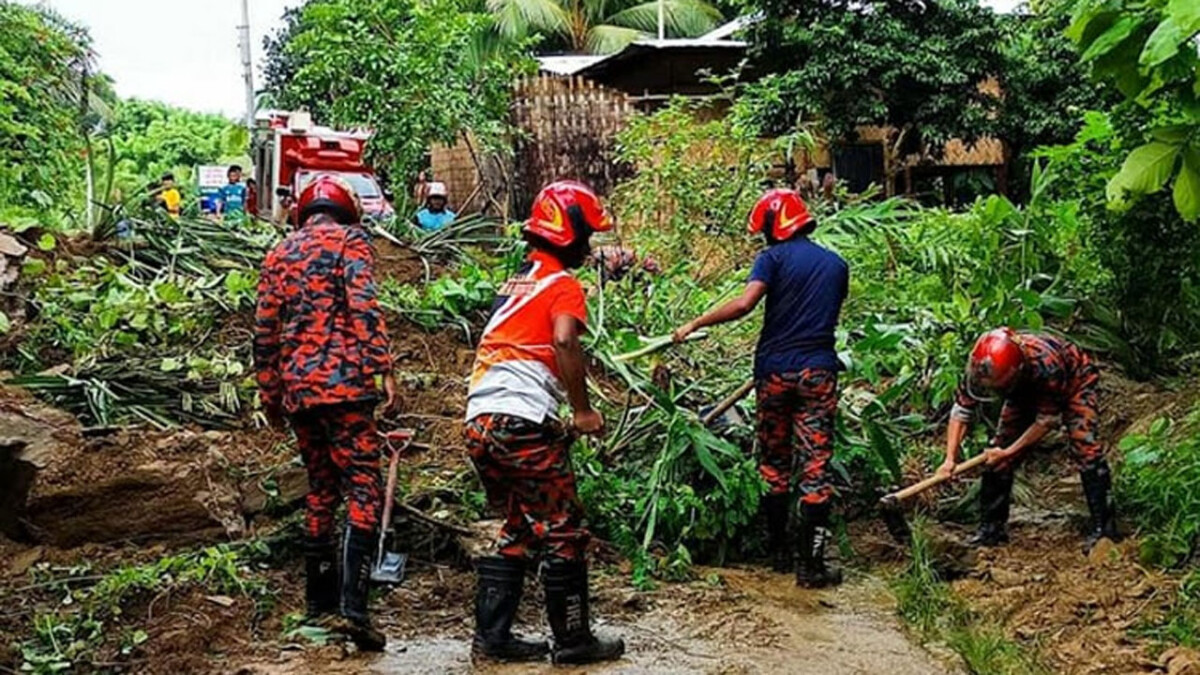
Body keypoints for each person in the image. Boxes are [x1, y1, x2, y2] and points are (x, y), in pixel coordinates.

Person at [464, 180, 624, 665]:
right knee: (565, 529)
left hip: (481, 423)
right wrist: (580, 411)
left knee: (518, 524)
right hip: (520, 424)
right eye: (586, 237)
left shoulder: (514, 283)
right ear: (568, 235)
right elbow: (563, 342)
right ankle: (574, 640)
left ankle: (493, 639)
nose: (588, 247)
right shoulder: (563, 285)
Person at [673, 188, 849, 588]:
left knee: (774, 462)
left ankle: (780, 554)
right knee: (816, 464)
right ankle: (812, 567)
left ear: (774, 227)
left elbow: (745, 304)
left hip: (773, 374)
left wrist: (695, 323)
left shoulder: (771, 259)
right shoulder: (837, 265)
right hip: (818, 373)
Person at [254, 175, 397, 652]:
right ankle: (355, 609)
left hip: (299, 393)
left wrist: (270, 394)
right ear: (346, 210)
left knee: (320, 489)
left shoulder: (278, 254)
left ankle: (318, 605)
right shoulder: (351, 241)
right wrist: (382, 368)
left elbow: (265, 332)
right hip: (347, 389)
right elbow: (363, 307)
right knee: (363, 486)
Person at [936, 328, 1118, 552]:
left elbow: (1046, 422)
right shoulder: (980, 367)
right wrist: (949, 459)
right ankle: (991, 531)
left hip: (1075, 382)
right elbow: (962, 411)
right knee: (997, 456)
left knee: (1085, 444)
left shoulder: (1047, 366)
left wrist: (1010, 452)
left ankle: (1104, 529)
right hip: (1023, 391)